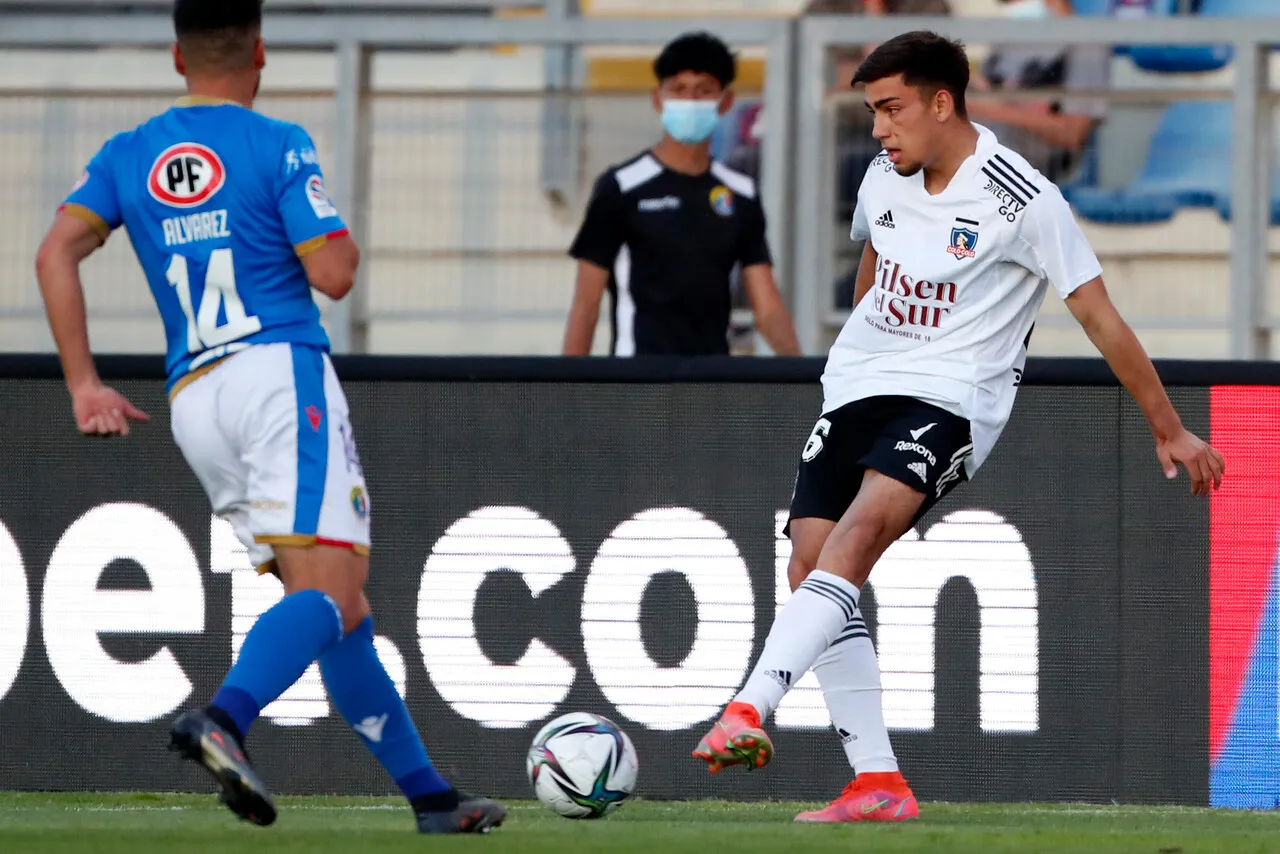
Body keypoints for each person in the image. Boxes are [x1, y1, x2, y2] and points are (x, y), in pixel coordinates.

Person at [692, 31, 1225, 822]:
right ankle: (877, 781)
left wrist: (1169, 427)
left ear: (943, 103)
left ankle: (748, 706)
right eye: (872, 111)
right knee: (811, 562)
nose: (878, 129)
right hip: (860, 386)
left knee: (856, 538)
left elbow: (1099, 317)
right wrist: (856, 355)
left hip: (950, 398)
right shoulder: (884, 175)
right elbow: (877, 266)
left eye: (891, 109)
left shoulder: (1023, 198)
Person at [34, 0, 505, 835]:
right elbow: (332, 273)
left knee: (340, 612)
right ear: (260, 50)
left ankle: (431, 798)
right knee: (332, 591)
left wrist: (84, 384)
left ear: (178, 56)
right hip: (279, 377)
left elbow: (54, 254)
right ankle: (225, 718)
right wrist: (337, 239)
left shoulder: (124, 155)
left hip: (194, 398)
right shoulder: (279, 144)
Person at [564, 32, 801, 358]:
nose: (690, 101)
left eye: (704, 91)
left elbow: (767, 306)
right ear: (658, 99)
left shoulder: (741, 193)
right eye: (678, 90)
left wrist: (811, 383)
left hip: (712, 385)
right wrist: (565, 399)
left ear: (725, 101)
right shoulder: (620, 187)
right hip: (635, 383)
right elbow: (585, 305)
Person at [967, 0, 1111, 184]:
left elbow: (1072, 134)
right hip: (973, 159)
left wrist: (994, 109)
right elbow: (983, 92)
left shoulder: (1085, 45)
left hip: (1026, 172)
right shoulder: (1009, 40)